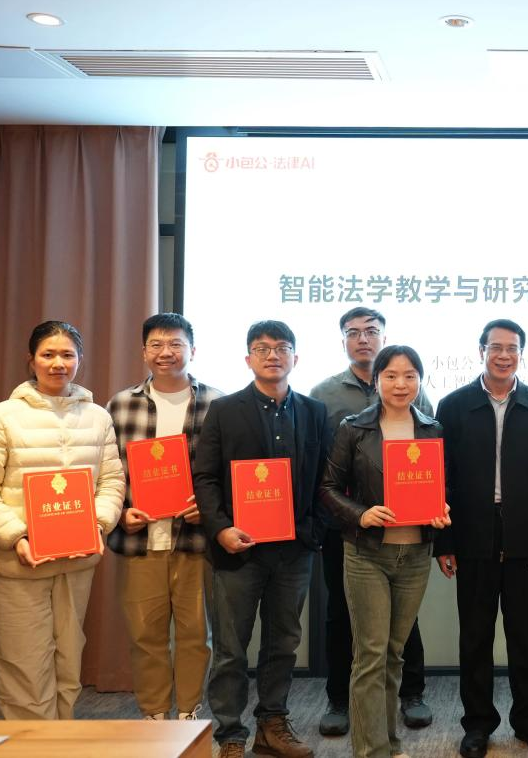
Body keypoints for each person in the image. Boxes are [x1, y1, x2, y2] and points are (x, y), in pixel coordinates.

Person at [0, 320, 125, 719]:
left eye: (67, 355)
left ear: (80, 359)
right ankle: (32, 744)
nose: (58, 363)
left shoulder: (98, 417)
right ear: (32, 360)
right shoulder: (0, 416)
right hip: (17, 563)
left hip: (77, 561)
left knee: (68, 663)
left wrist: (98, 524)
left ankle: (59, 739)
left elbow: (111, 482)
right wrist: (16, 536)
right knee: (24, 665)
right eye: (48, 354)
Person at [192, 320, 331, 758]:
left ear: (295, 357)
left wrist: (312, 530)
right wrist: (221, 528)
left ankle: (272, 725)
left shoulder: (314, 411)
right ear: (248, 358)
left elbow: (323, 479)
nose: (273, 355)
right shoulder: (224, 410)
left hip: (294, 551)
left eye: (282, 347)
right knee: (231, 649)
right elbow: (205, 477)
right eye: (262, 348)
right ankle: (230, 735)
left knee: (283, 643)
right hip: (238, 549)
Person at [434, 319, 528, 757]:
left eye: (512, 348)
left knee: (525, 635)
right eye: (495, 347)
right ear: (481, 351)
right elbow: (442, 481)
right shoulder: (453, 406)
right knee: (475, 637)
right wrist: (444, 542)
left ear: (521, 354)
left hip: (525, 537)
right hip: (472, 535)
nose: (503, 355)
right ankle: (477, 724)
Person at [319, 345, 452, 758]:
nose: (401, 384)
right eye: (391, 375)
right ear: (376, 380)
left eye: (410, 375)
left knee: (395, 655)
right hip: (367, 555)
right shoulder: (353, 429)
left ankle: (389, 745)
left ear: (420, 381)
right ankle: (370, 750)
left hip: (414, 556)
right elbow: (327, 489)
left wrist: (442, 509)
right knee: (371, 655)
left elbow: (441, 486)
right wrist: (360, 514)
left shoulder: (432, 429)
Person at [107, 312, 224, 722]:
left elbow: (228, 472)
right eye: (156, 344)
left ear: (193, 350)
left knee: (196, 634)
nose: (166, 352)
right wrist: (120, 513)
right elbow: (106, 472)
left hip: (196, 540)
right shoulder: (120, 405)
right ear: (144, 352)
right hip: (140, 538)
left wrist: (209, 510)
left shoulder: (218, 404)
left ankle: (189, 711)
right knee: (145, 634)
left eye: (176, 344)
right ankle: (154, 713)